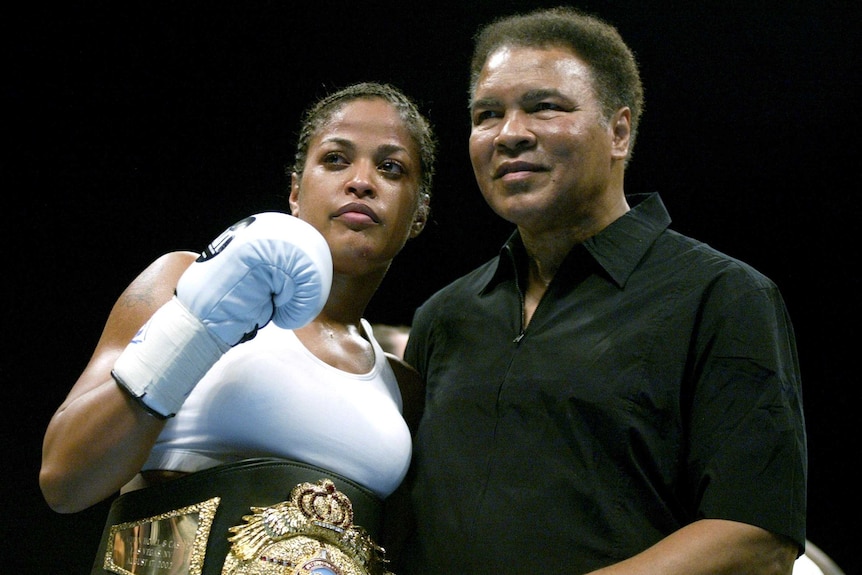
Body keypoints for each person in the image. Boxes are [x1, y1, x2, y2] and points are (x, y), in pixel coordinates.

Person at [396, 7, 807, 575]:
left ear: (619, 131)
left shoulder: (723, 296)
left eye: (545, 107)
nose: (511, 133)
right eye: (487, 114)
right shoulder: (443, 316)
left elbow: (756, 538)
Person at [39, 81, 437, 575]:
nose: (361, 181)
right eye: (335, 159)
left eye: (390, 167)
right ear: (295, 190)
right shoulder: (179, 282)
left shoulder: (401, 386)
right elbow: (63, 480)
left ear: (419, 212)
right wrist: (196, 329)